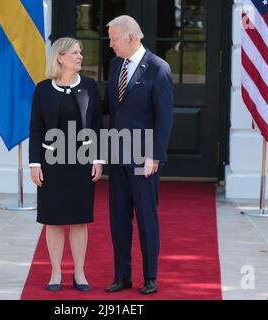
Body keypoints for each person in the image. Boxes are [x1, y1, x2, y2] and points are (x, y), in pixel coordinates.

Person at [104, 16, 174, 295]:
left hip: (143, 157)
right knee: (118, 218)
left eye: (114, 39)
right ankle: (122, 276)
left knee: (146, 218)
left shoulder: (159, 69)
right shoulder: (114, 65)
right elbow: (109, 106)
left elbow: (164, 117)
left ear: (131, 38)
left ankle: (150, 277)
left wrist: (154, 156)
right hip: (117, 153)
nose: (110, 45)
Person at [29, 37, 104, 292]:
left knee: (79, 219)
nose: (80, 56)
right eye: (74, 52)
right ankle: (56, 273)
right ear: (60, 57)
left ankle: (80, 273)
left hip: (81, 163)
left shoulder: (90, 87)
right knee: (53, 220)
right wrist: (34, 164)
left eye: (80, 52)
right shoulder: (42, 89)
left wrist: (97, 159)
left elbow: (96, 126)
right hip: (51, 163)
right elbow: (36, 129)